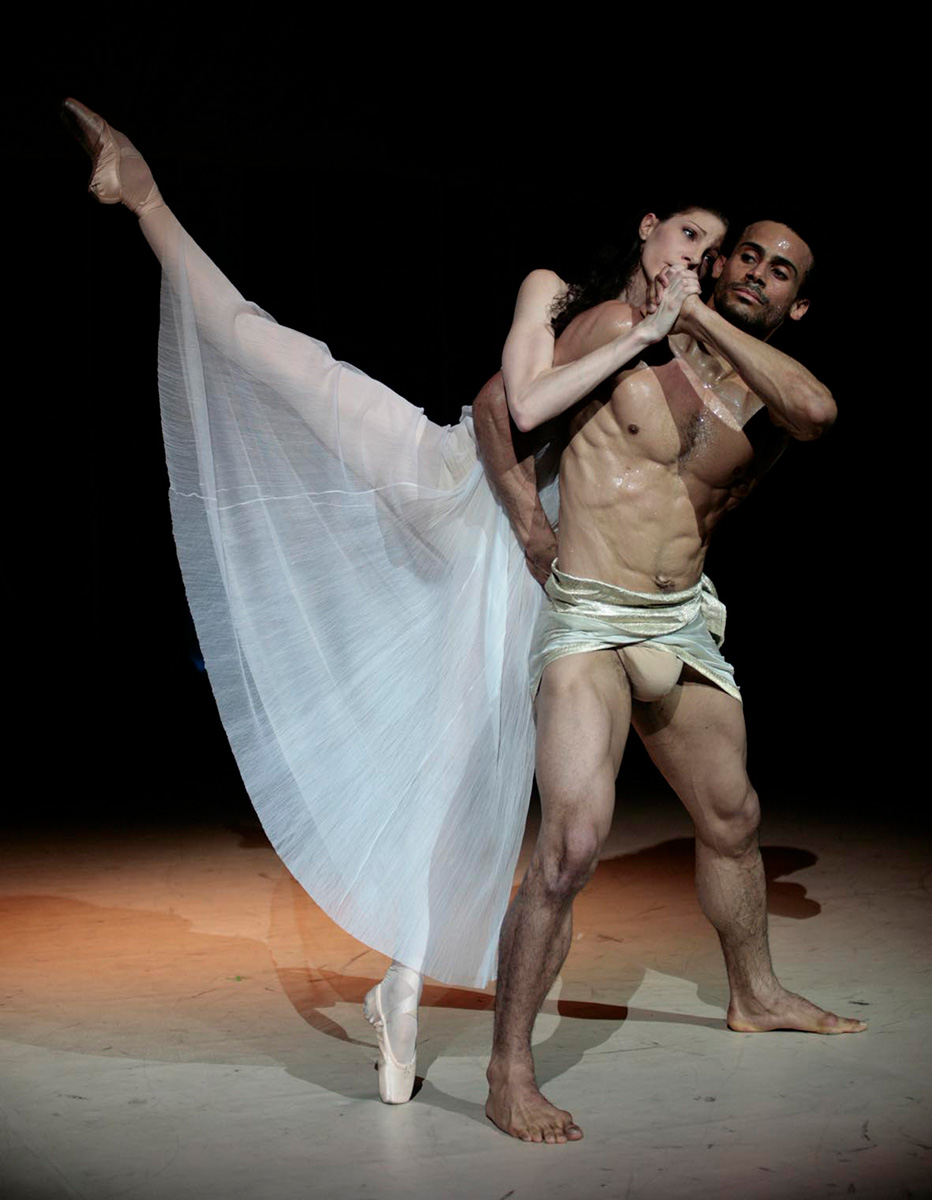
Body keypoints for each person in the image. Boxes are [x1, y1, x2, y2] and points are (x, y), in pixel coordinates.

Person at [61, 98, 725, 1106]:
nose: (695, 258)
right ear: (647, 229)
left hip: (526, 566)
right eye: (687, 234)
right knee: (280, 357)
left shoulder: (676, 353)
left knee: (470, 773)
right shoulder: (554, 291)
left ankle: (400, 988)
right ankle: (146, 198)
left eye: (710, 252)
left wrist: (670, 341)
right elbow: (520, 404)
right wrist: (642, 338)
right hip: (448, 477)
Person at [481, 217, 868, 1144]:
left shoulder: (770, 394)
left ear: (797, 304)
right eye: (749, 256)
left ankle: (754, 994)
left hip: (682, 622)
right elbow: (501, 404)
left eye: (782, 273)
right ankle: (509, 1072)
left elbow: (819, 414)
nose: (760, 274)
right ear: (719, 260)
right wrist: (529, 520)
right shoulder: (622, 328)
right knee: (572, 845)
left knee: (734, 819)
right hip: (591, 615)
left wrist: (702, 320)